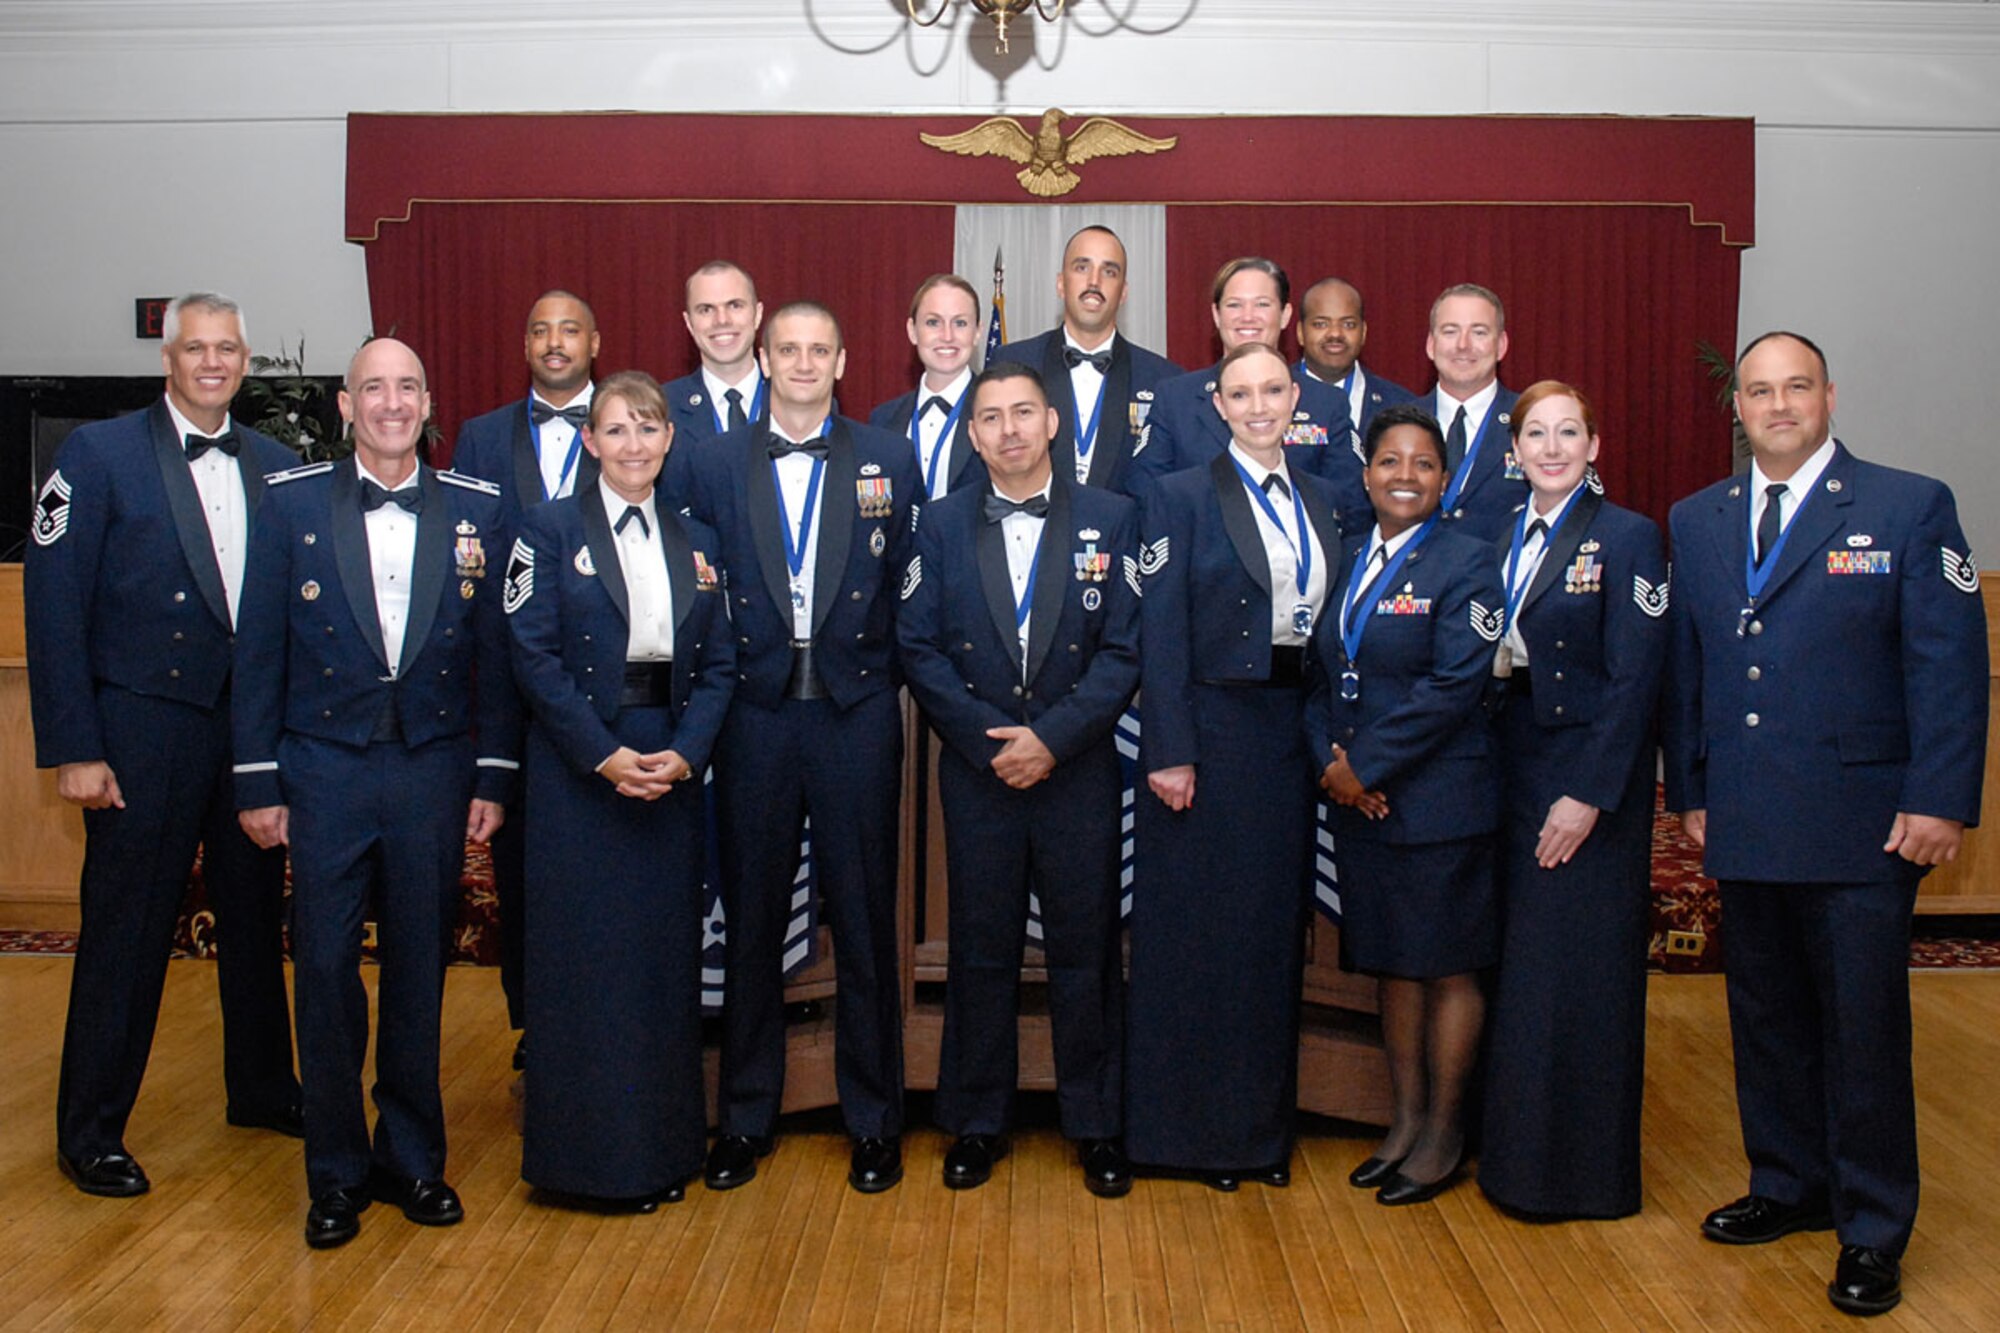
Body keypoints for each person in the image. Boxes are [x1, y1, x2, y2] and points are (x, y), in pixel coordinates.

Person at [1664, 331, 1987, 1317]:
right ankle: (1786, 1185)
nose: (1774, 404)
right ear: (1738, 409)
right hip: (1749, 816)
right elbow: (1689, 671)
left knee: (1860, 1031)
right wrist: (1690, 791)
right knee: (1763, 1019)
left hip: (1862, 823)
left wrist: (1937, 796)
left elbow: (1947, 667)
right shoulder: (1698, 519)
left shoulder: (1905, 505)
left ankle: (1871, 1226)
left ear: (1827, 396)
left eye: (1793, 387)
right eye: (1756, 390)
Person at [232, 337, 522, 1249]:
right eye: (373, 389)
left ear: (429, 401)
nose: (392, 403)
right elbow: (257, 652)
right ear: (345, 405)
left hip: (434, 770)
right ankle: (335, 1172)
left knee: (418, 967)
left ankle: (412, 1158)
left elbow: (498, 660)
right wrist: (256, 778)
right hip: (321, 771)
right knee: (322, 971)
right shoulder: (285, 507)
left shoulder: (479, 509)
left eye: (407, 387)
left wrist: (495, 772)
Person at [25, 291, 302, 1197]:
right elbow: (54, 605)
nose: (212, 362)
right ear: (167, 359)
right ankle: (91, 1129)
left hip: (248, 733)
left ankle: (262, 1087)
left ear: (245, 359)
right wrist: (75, 745)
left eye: (227, 349)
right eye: (196, 348)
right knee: (127, 932)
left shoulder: (278, 462)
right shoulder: (97, 455)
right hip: (141, 732)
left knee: (258, 921)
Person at [668, 302, 921, 1195]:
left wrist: (879, 671)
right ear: (765, 360)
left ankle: (875, 1120)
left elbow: (909, 587)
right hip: (755, 717)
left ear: (845, 357)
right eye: (789, 350)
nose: (804, 362)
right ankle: (743, 1117)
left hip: (855, 714)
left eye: (821, 348)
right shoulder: (708, 460)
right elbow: (694, 591)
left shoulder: (890, 456)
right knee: (753, 925)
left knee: (863, 920)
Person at [897, 362, 1141, 1197]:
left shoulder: (1113, 518)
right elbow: (918, 645)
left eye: (1024, 413)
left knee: (1086, 951)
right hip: (981, 767)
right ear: (972, 434)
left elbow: (1123, 651)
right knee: (981, 949)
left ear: (1053, 423)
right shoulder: (937, 522)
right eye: (991, 417)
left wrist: (1055, 739)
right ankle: (976, 1120)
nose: (1009, 429)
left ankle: (1097, 1124)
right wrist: (987, 740)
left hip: (1077, 768)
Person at [504, 372, 736, 1210]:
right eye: (616, 429)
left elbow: (719, 666)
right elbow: (531, 657)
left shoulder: (699, 539)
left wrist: (685, 754)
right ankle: (583, 1164)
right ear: (591, 441)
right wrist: (602, 756)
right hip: (583, 774)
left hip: (668, 769)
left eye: (648, 428)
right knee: (584, 968)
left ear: (669, 439)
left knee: (657, 968)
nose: (633, 444)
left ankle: (662, 1153)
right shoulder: (546, 529)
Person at [1127, 342, 1342, 1189]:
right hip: (1207, 738)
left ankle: (1258, 1133)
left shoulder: (1324, 499)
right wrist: (1170, 748)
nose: (1259, 406)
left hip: (1288, 737)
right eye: (1241, 393)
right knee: (1194, 941)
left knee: (1266, 939)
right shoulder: (1177, 495)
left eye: (1273, 391)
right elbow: (1161, 631)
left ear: (1296, 399)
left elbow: (1331, 633)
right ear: (1216, 403)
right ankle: (1188, 1135)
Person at [1476, 382, 1667, 1220]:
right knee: (1522, 975)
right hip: (1509, 772)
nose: (1551, 448)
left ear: (1595, 444)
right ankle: (1516, 1162)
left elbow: (1637, 679)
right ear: (1513, 451)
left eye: (1568, 433)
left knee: (1581, 977)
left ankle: (1584, 1176)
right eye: (1535, 434)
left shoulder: (1629, 538)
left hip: (1587, 782)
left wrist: (1588, 793)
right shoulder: (1496, 534)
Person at [1306, 403, 1504, 1206]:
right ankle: (1405, 1120)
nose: (1405, 476)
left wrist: (1369, 765)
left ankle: (1447, 1130)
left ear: (1445, 480)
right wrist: (1333, 763)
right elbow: (1320, 673)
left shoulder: (1469, 562)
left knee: (1447, 966)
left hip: (1441, 799)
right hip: (1363, 801)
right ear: (1366, 474)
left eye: (1423, 464)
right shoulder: (1350, 556)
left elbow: (1455, 684)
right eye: (1390, 462)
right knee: (1392, 963)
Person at [451, 288, 604, 1069]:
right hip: (506, 681)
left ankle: (593, 1014)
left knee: (593, 863)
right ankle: (531, 1025)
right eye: (540, 329)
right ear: (525, 345)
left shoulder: (626, 426)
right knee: (517, 866)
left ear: (594, 342)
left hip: (602, 687)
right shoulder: (479, 438)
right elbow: (464, 554)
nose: (554, 342)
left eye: (569, 329)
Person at [1131, 257, 1364, 530]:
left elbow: (1352, 504)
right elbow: (1145, 494)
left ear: (1286, 314)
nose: (1248, 316)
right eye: (1234, 305)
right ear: (1217, 315)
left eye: (1262, 304)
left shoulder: (1326, 403)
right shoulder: (1175, 399)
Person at [995, 225, 1183, 495]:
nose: (1094, 282)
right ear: (1061, 284)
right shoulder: (1013, 364)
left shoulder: (1163, 379)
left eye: (1109, 271)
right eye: (1082, 268)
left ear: (1124, 292)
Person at [1418, 283, 1525, 540]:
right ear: (1431, 345)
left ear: (1501, 345)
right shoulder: (1397, 424)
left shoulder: (1530, 421)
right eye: (1450, 331)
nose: (1463, 345)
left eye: (1478, 332)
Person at [869, 274, 987, 500]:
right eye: (933, 322)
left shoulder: (998, 414)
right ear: (912, 331)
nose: (947, 336)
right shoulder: (882, 419)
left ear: (977, 332)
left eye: (960, 323)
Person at [1295, 277, 1415, 444]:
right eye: (1321, 324)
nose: (1335, 334)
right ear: (1300, 332)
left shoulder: (1402, 406)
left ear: (1363, 332)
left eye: (1348, 325)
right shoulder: (1270, 398)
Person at [664, 260, 766, 443]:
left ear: (757, 314)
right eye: (706, 310)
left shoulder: (800, 400)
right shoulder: (664, 407)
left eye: (734, 305)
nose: (721, 320)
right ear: (689, 323)